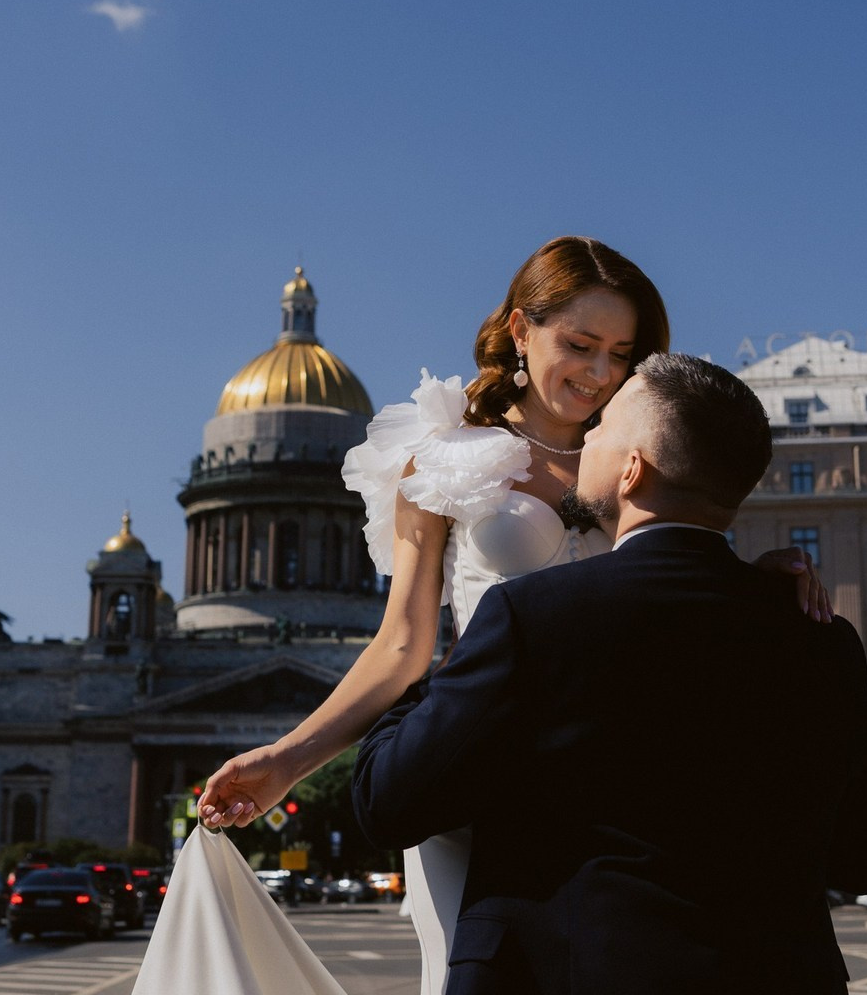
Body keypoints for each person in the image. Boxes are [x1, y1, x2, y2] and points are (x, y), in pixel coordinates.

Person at [199, 238, 831, 994]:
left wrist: (753, 581)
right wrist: (285, 761)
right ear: (521, 330)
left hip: (617, 785)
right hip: (482, 768)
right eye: (581, 345)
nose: (600, 373)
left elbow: (674, 582)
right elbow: (402, 646)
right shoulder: (443, 458)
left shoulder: (643, 454)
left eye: (621, 354)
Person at [353, 353, 867, 994]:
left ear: (633, 469)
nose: (587, 438)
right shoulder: (824, 641)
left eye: (603, 427)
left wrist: (433, 675)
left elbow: (389, 802)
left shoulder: (535, 618)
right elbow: (859, 860)